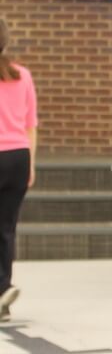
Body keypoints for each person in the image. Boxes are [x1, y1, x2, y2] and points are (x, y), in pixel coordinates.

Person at [0, 19, 36, 323]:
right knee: (6, 228)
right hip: (19, 157)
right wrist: (31, 165)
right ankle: (3, 293)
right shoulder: (21, 75)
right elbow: (30, 125)